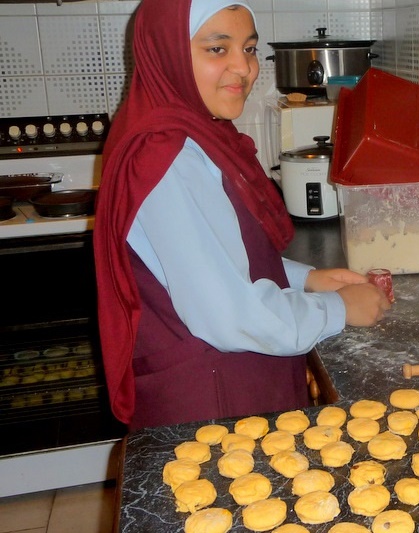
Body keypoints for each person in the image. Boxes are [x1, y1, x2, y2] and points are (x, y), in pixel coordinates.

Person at [94, 0, 391, 430]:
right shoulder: (164, 155)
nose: (244, 68)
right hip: (210, 403)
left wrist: (304, 278)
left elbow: (210, 256)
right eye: (217, 49)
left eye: (249, 49)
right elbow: (228, 313)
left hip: (224, 383)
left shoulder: (189, 131)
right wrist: (337, 309)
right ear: (169, 54)